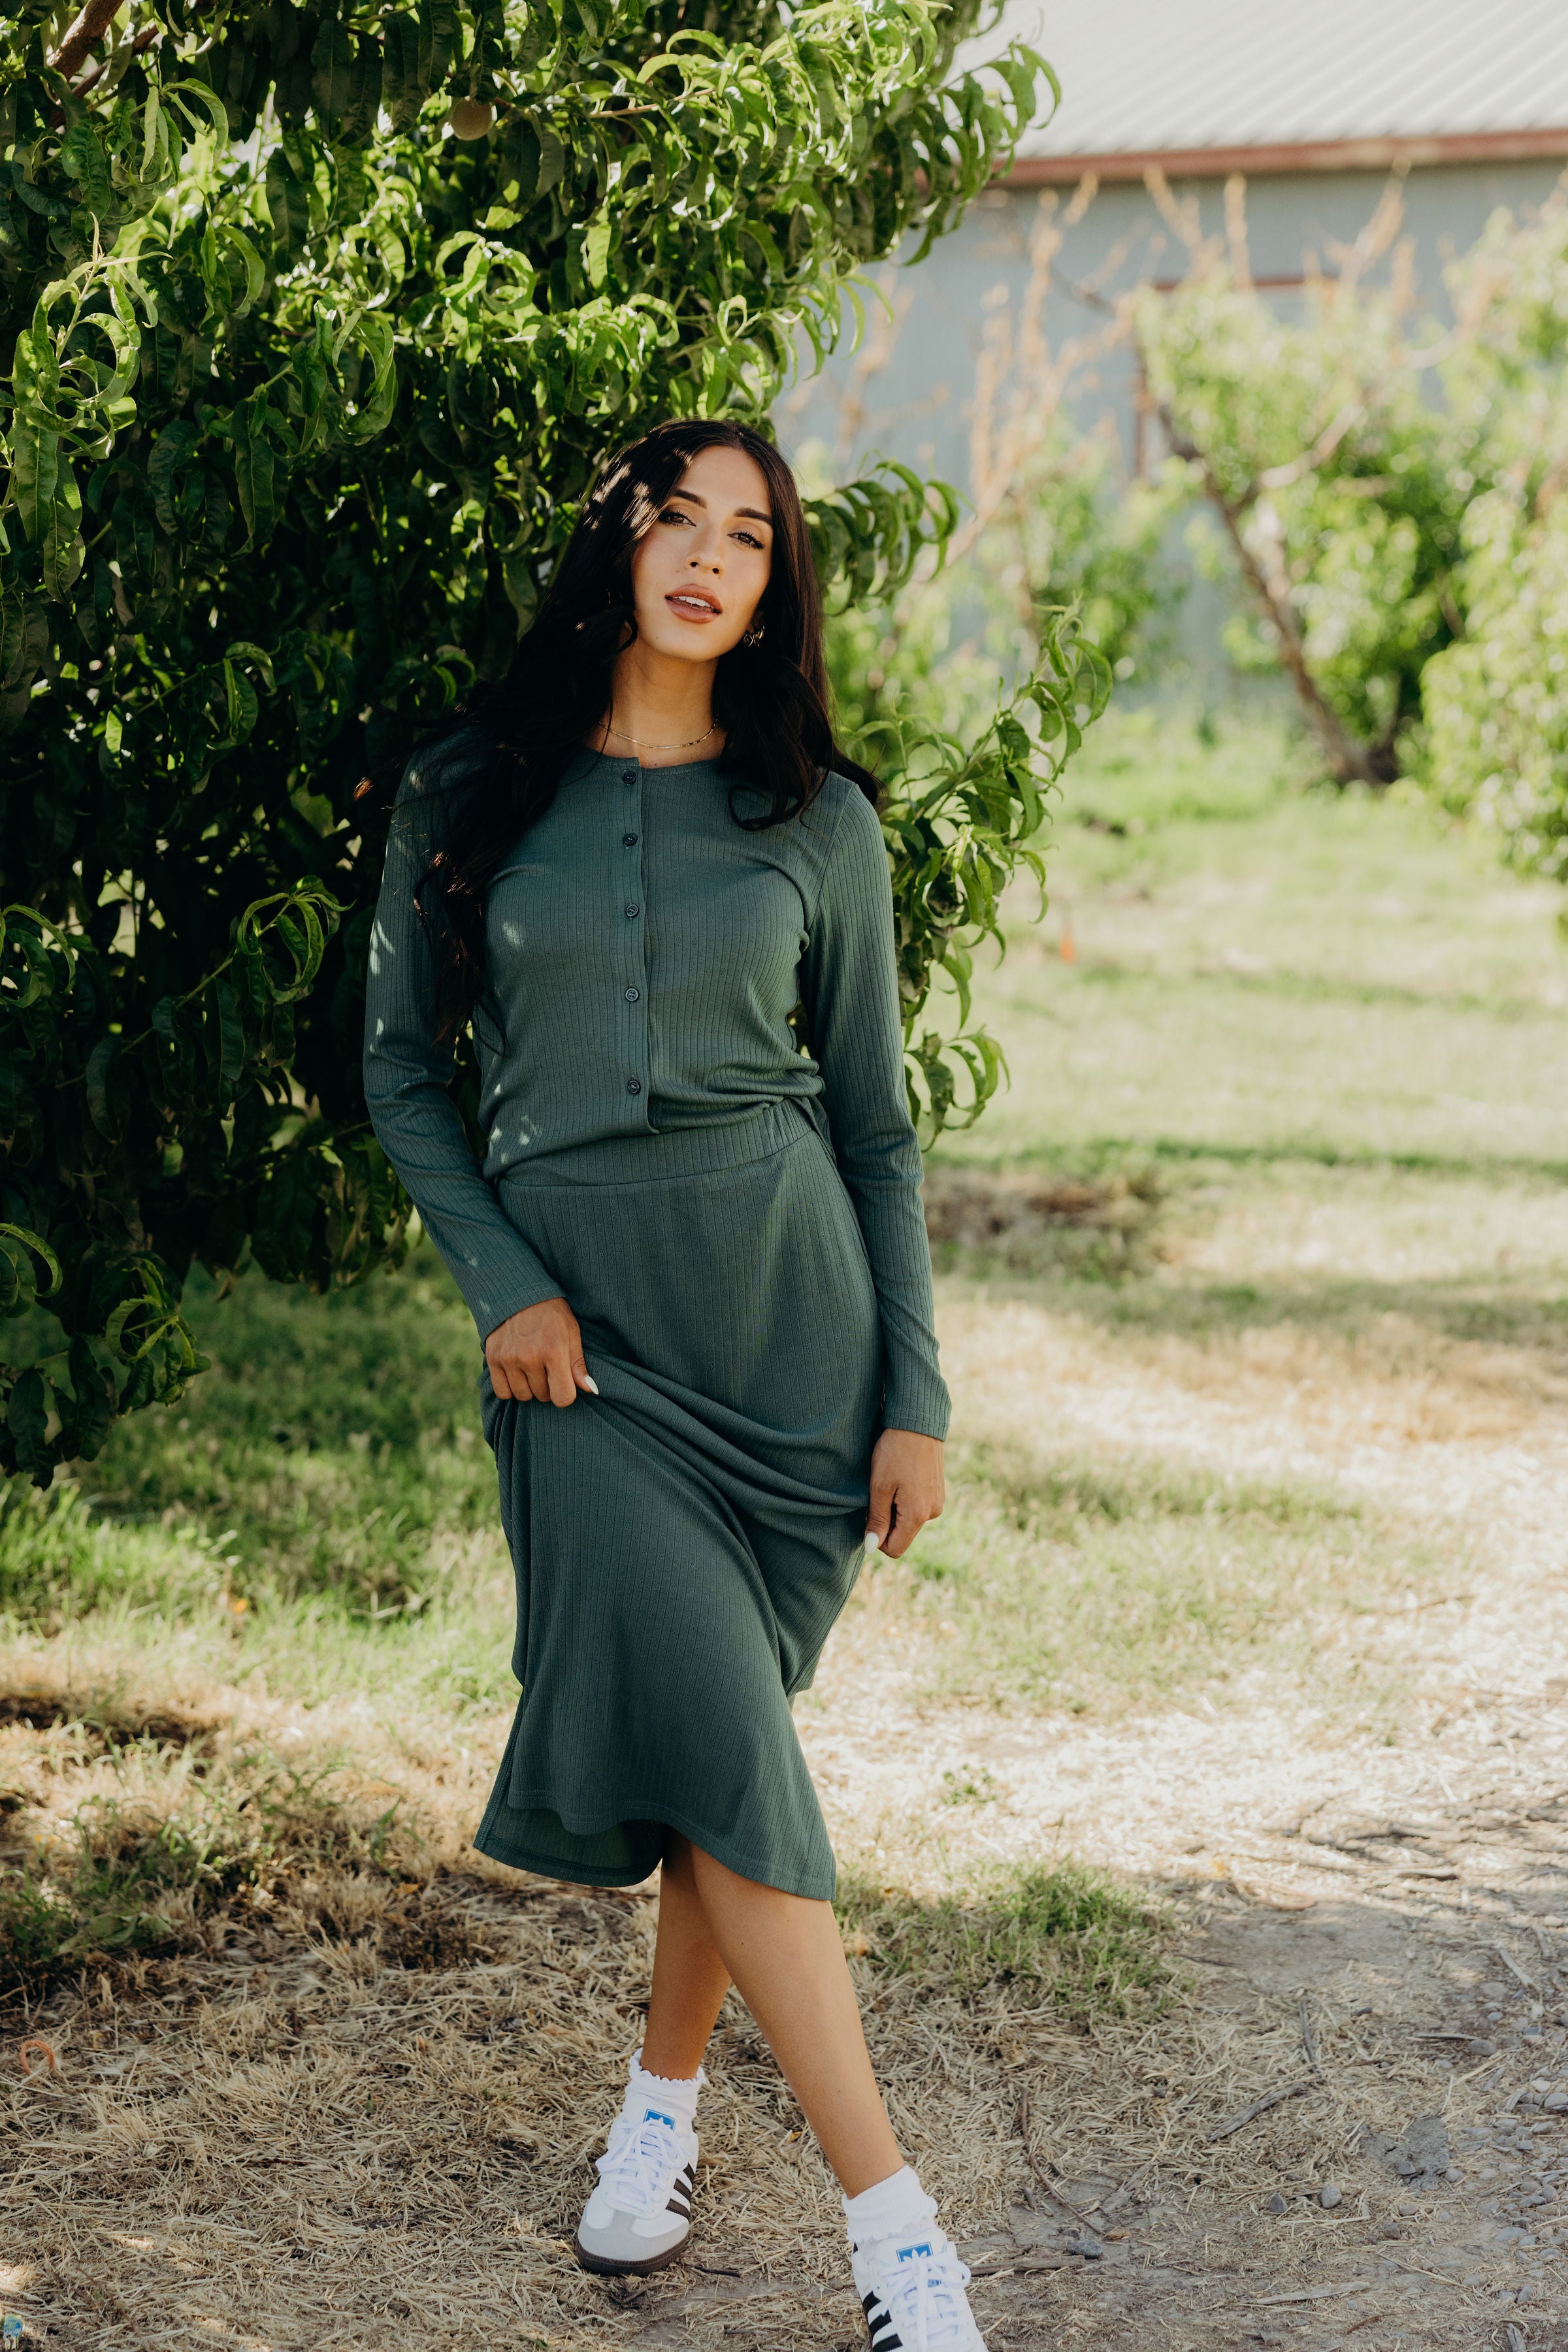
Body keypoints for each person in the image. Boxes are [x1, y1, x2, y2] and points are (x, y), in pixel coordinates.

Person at [363, 418, 988, 2349]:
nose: (713, 559)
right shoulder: (473, 789)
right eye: (680, 521)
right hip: (580, 1359)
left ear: (777, 585)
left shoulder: (820, 820)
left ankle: (658, 2116)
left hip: (790, 1345)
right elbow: (399, 1071)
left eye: (753, 538)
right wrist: (504, 1283)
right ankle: (901, 2246)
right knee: (725, 1747)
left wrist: (917, 1393)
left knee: (718, 1762)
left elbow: (879, 1131)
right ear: (620, 545)